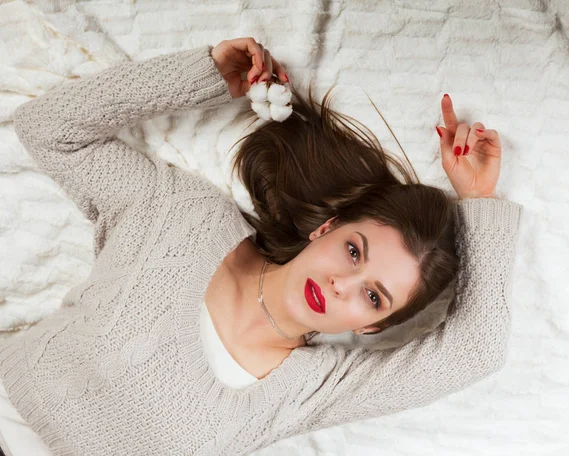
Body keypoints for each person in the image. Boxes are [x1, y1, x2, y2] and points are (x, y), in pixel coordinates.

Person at [0, 37, 523, 455]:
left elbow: (475, 350)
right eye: (354, 252)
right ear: (327, 228)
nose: (342, 285)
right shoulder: (182, 217)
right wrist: (202, 76)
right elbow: (49, 129)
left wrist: (478, 200)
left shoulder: (311, 391)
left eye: (373, 298)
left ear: (372, 327)